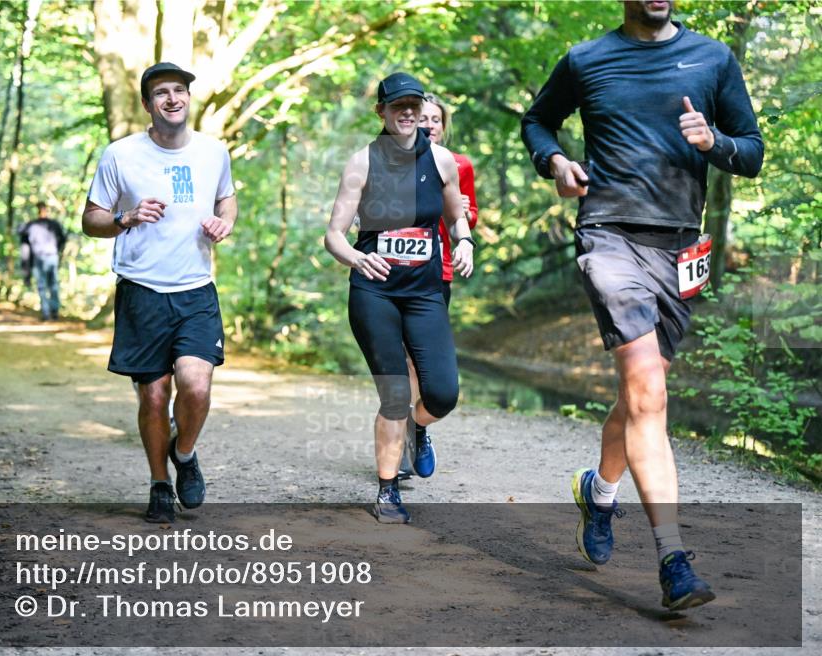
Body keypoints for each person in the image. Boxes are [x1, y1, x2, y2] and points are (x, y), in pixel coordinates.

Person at [521, 0, 763, 610]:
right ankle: (673, 559)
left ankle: (599, 493)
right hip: (608, 233)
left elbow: (753, 152)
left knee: (641, 392)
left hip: (681, 245)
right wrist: (553, 160)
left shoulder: (713, 58)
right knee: (648, 390)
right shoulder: (587, 58)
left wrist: (715, 142)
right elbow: (538, 121)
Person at [82, 62, 237, 524]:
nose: (172, 99)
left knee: (196, 386)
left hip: (195, 291)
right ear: (148, 105)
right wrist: (125, 218)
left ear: (188, 98)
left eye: (179, 91)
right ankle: (158, 484)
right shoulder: (120, 155)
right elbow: (91, 219)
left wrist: (223, 221)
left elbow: (226, 197)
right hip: (142, 292)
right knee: (152, 398)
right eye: (161, 93)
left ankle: (184, 453)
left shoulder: (214, 152)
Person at [324, 72, 475, 524]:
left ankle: (417, 425)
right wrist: (354, 257)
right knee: (393, 392)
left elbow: (455, 213)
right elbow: (334, 234)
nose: (407, 113)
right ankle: (388, 490)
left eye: (413, 105)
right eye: (398, 107)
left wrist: (464, 241)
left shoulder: (443, 159)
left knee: (444, 393)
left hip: (425, 291)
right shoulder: (362, 163)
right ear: (383, 113)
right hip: (376, 292)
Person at [397, 92, 480, 479]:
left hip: (437, 271)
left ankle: (418, 425)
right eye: (423, 118)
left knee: (422, 360)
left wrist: (461, 222)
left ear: (444, 127)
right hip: (393, 274)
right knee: (401, 359)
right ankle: (395, 443)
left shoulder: (457, 165)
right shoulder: (388, 160)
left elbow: (469, 214)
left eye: (436, 119)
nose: (429, 124)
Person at [22, 202, 67, 320]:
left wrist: (57, 250)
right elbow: (26, 248)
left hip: (51, 256)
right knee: (44, 285)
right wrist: (26, 268)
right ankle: (47, 313)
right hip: (40, 258)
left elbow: (62, 239)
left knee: (52, 285)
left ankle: (53, 312)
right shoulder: (31, 226)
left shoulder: (53, 224)